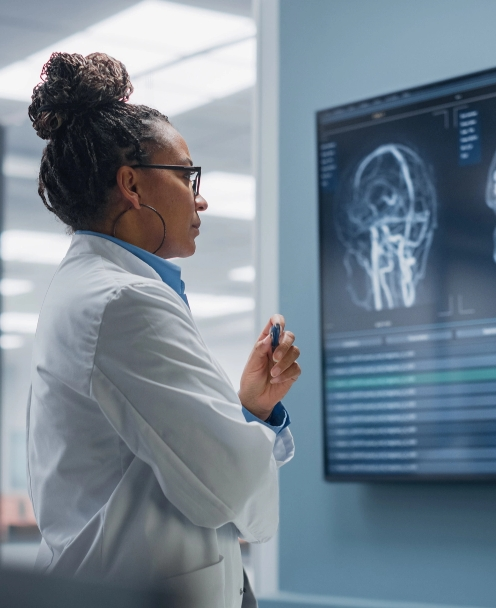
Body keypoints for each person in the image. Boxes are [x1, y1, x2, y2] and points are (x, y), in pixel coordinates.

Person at [26, 52, 300, 608]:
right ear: (132, 184)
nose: (200, 198)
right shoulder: (123, 300)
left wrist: (250, 410)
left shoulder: (93, 288)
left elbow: (170, 459)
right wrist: (253, 434)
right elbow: (232, 489)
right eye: (186, 174)